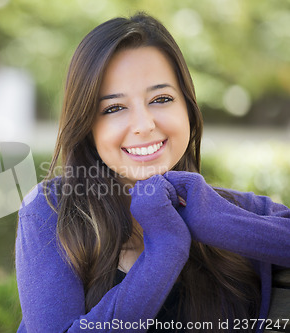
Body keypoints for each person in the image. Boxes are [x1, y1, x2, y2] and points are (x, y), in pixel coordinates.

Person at [15, 12, 290, 333]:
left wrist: (219, 223)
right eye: (114, 108)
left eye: (161, 99)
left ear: (188, 109)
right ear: (88, 125)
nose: (145, 125)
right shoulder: (52, 211)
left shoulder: (232, 210)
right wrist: (163, 254)